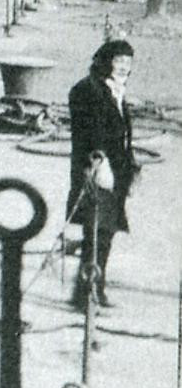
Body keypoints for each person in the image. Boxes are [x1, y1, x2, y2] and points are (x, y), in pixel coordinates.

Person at [67, 38, 138, 310]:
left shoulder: (113, 90)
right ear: (106, 61)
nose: (123, 67)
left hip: (115, 171)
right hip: (97, 171)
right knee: (96, 231)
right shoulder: (89, 90)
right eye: (118, 61)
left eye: (128, 63)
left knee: (105, 232)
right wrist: (100, 163)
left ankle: (94, 288)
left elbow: (121, 134)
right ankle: (86, 293)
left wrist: (129, 167)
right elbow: (90, 132)